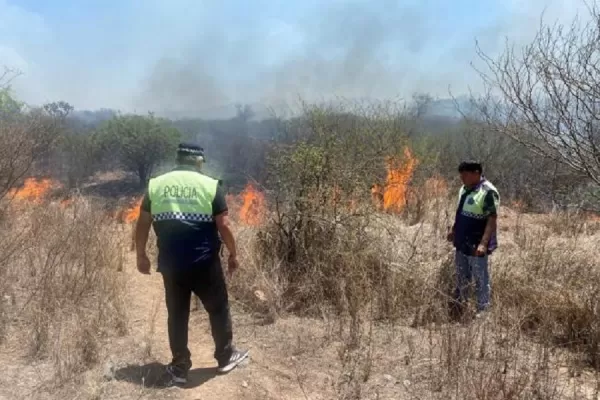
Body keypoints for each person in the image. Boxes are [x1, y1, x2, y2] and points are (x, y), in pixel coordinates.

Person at [135, 142, 249, 386]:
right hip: (204, 261)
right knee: (217, 308)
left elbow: (143, 222)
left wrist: (141, 255)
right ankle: (226, 356)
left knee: (177, 314)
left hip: (171, 262)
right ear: (198, 162)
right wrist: (233, 253)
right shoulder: (209, 185)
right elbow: (224, 225)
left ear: (178, 160)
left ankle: (179, 366)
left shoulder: (156, 185)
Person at [446, 161, 500, 316]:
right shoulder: (465, 189)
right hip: (462, 241)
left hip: (477, 244)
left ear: (476, 173)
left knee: (480, 278)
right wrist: (454, 231)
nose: (462, 178)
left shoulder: (488, 192)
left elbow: (491, 219)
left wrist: (483, 244)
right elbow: (461, 212)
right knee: (462, 275)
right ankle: (459, 304)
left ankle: (483, 310)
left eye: (465, 175)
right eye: (461, 175)